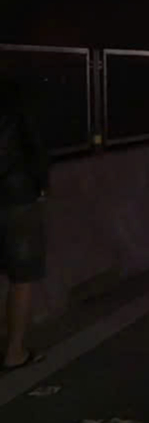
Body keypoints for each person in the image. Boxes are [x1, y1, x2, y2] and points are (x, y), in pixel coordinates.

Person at [0, 80, 48, 370]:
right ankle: (14, 351)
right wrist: (41, 185)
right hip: (16, 194)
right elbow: (34, 144)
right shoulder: (15, 94)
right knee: (22, 276)